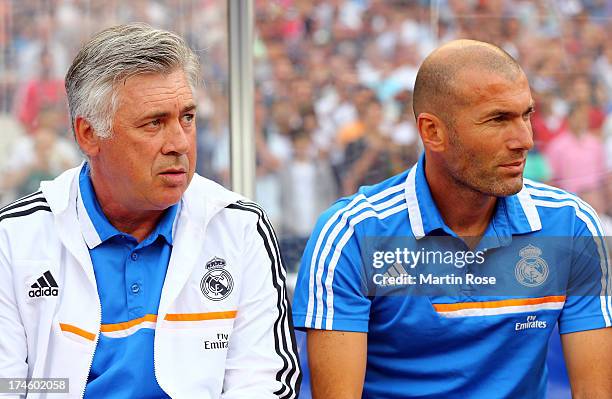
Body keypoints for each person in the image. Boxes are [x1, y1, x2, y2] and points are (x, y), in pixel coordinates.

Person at [292, 40, 611, 398]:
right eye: (498, 119)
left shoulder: (570, 225)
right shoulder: (353, 233)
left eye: (526, 115)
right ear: (432, 132)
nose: (525, 140)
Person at [0, 23, 301, 398]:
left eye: (187, 118)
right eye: (154, 123)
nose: (179, 143)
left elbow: (264, 383)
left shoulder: (238, 226)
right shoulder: (14, 240)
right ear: (88, 134)